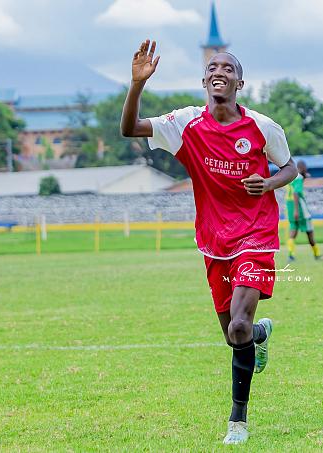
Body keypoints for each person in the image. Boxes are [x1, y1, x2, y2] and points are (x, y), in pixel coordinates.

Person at [120, 40, 298, 444]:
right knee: (235, 335)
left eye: (228, 68)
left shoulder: (262, 127)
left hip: (256, 234)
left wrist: (269, 182)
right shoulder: (185, 124)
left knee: (239, 323)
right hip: (215, 240)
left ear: (239, 83)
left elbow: (289, 167)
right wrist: (137, 85)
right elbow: (129, 129)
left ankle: (238, 422)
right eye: (213, 68)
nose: (220, 72)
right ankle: (259, 336)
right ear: (205, 80)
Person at [285, 160, 323, 261]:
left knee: (293, 229)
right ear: (302, 167)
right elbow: (296, 193)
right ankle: (317, 254)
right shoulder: (299, 177)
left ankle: (291, 255)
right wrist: (296, 210)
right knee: (309, 230)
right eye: (305, 167)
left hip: (289, 206)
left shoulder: (292, 177)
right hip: (299, 207)